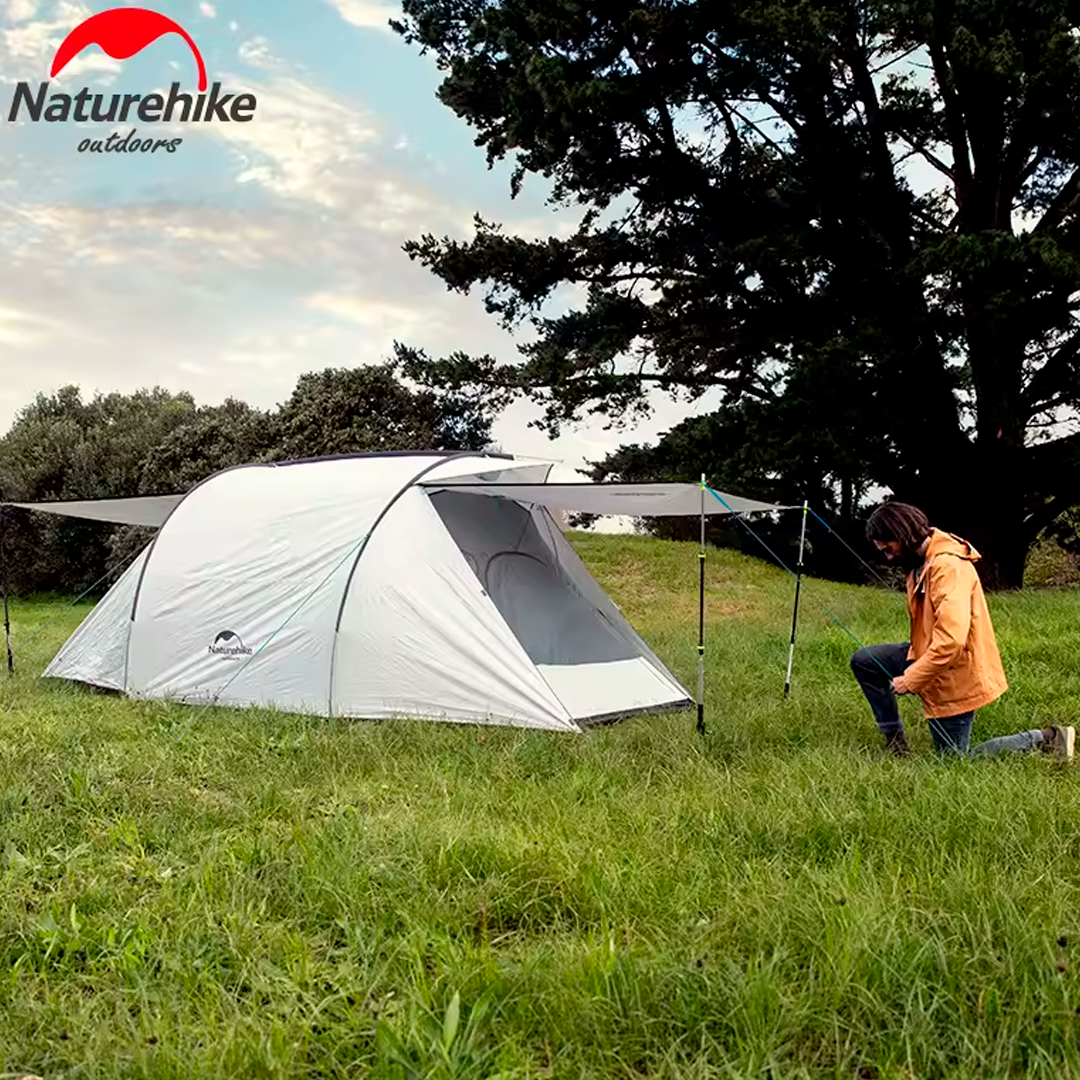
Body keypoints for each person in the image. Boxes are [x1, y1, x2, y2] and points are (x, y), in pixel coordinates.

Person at [849, 501, 1074, 758]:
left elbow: (951, 643)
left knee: (954, 760)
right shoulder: (921, 561)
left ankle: (1048, 738)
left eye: (888, 548)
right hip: (928, 657)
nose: (887, 557)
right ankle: (896, 745)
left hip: (955, 671)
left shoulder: (948, 568)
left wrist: (910, 679)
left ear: (903, 535)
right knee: (865, 661)